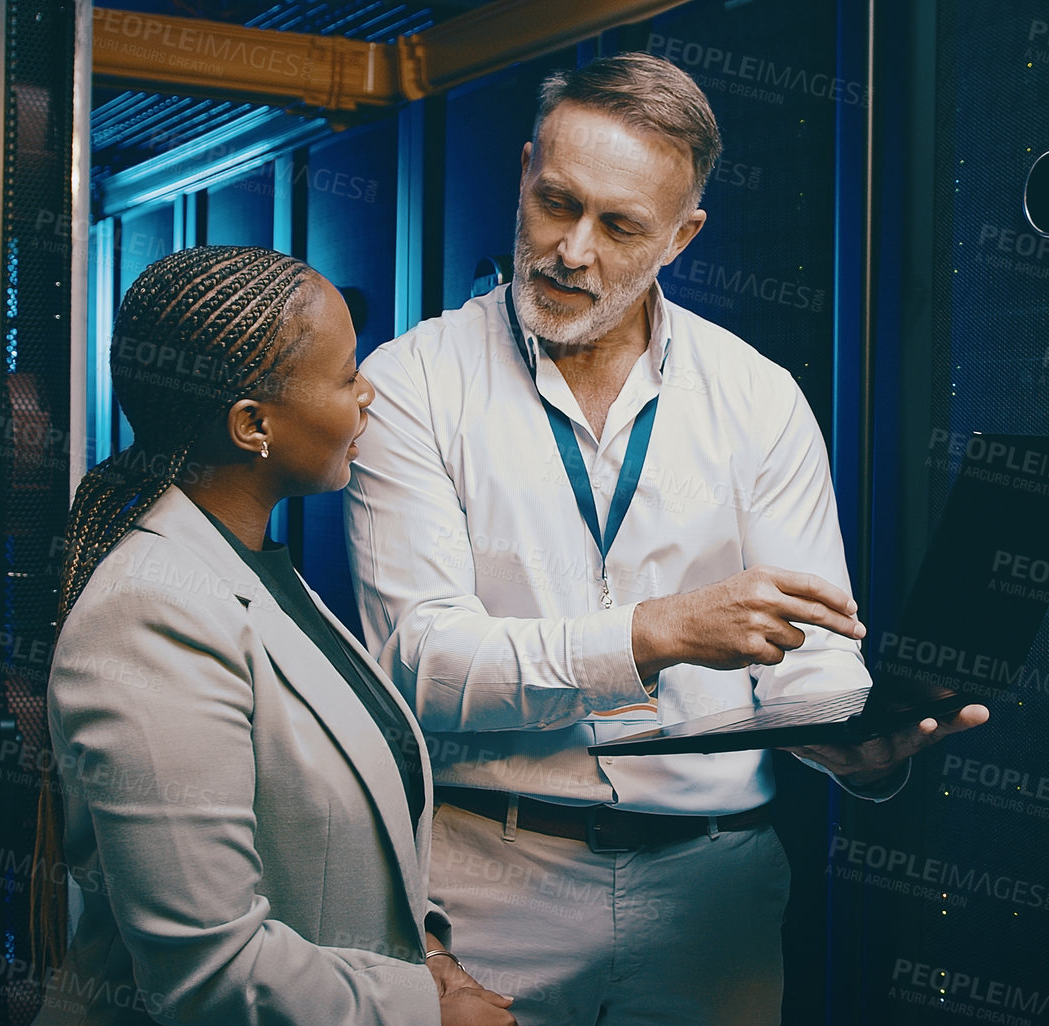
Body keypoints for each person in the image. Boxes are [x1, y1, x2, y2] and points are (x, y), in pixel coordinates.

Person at [343, 55, 988, 1025]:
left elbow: (809, 659)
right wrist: (656, 632)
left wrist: (857, 747)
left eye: (619, 226)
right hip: (485, 884)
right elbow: (421, 661)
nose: (571, 249)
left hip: (715, 892)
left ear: (683, 236)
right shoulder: (410, 385)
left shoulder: (757, 398)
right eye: (555, 202)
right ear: (522, 172)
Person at [29, 245, 516, 1026]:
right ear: (252, 424)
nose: (370, 397)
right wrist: (425, 1012)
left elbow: (337, 857)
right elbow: (208, 971)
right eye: (346, 374)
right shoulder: (150, 613)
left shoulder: (251, 569)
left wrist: (427, 956)